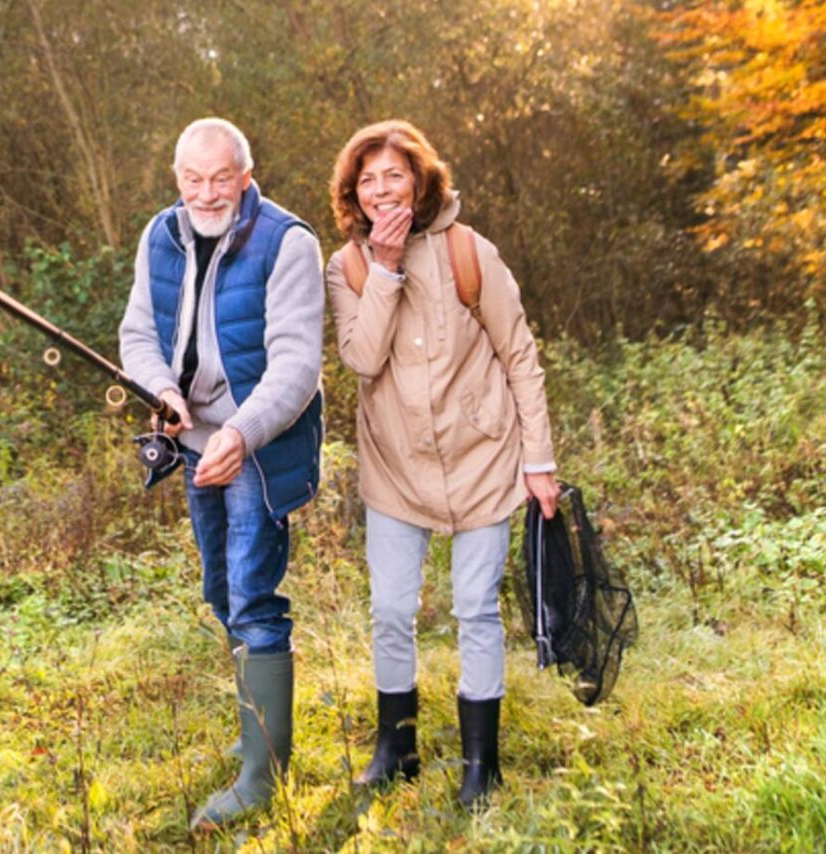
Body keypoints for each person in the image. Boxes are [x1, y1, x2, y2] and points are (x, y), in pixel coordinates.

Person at [323, 119, 560, 807]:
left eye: (393, 174)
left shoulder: (468, 251)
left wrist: (537, 460)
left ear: (420, 178)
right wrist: (387, 270)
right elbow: (363, 359)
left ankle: (481, 763)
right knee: (392, 610)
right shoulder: (350, 267)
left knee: (475, 610)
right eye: (366, 180)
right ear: (354, 195)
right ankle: (396, 748)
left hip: (484, 457)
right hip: (396, 468)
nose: (380, 189)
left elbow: (520, 356)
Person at [117, 117, 325, 830]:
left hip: (259, 442)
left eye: (220, 178)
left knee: (253, 594)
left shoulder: (288, 242)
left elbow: (298, 366)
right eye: (192, 179)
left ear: (245, 171)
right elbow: (138, 336)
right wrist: (163, 392)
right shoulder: (161, 235)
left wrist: (241, 431)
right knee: (219, 589)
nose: (206, 194)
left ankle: (263, 778)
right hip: (193, 442)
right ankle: (257, 733)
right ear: (178, 177)